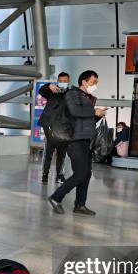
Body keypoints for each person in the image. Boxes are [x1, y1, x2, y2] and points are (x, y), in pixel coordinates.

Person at [48, 70, 106, 216]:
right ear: (84, 82)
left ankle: (80, 205)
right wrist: (94, 111)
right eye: (93, 82)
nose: (95, 85)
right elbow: (74, 111)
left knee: (86, 174)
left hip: (86, 139)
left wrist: (98, 115)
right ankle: (56, 197)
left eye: (96, 83)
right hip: (74, 139)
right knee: (80, 173)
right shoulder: (72, 94)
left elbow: (87, 120)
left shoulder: (89, 98)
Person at [38, 72, 70, 185]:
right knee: (48, 151)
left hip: (64, 128)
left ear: (68, 81)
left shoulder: (71, 94)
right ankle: (45, 175)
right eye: (60, 81)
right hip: (50, 126)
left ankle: (59, 175)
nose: (62, 83)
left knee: (62, 153)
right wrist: (48, 86)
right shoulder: (52, 91)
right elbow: (41, 91)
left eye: (65, 81)